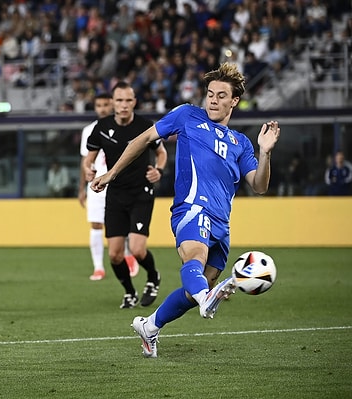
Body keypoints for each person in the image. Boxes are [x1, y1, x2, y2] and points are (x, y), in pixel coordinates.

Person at [91, 63, 280, 358]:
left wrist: (265, 152)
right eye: (210, 94)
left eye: (221, 96)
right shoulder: (187, 116)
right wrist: (111, 172)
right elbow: (142, 139)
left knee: (198, 289)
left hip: (222, 223)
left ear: (234, 101)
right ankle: (206, 298)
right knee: (195, 259)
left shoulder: (241, 143)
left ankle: (150, 326)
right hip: (191, 209)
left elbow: (259, 185)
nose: (213, 100)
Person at [83, 81, 167, 309]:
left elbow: (161, 153)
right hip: (115, 193)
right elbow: (88, 158)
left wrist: (158, 171)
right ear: (112, 102)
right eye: (119, 100)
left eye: (128, 100)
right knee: (115, 255)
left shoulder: (145, 125)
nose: (123, 105)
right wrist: (88, 170)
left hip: (141, 192)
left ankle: (153, 277)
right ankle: (130, 292)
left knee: (138, 250)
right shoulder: (101, 127)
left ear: (134, 102)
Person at [78, 93, 140, 281]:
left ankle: (128, 254)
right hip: (96, 184)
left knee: (124, 223)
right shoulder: (89, 130)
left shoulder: (126, 127)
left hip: (120, 183)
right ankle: (98, 267)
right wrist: (81, 187)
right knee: (96, 224)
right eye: (99, 105)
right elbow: (85, 160)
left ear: (112, 104)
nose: (103, 108)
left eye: (106, 104)